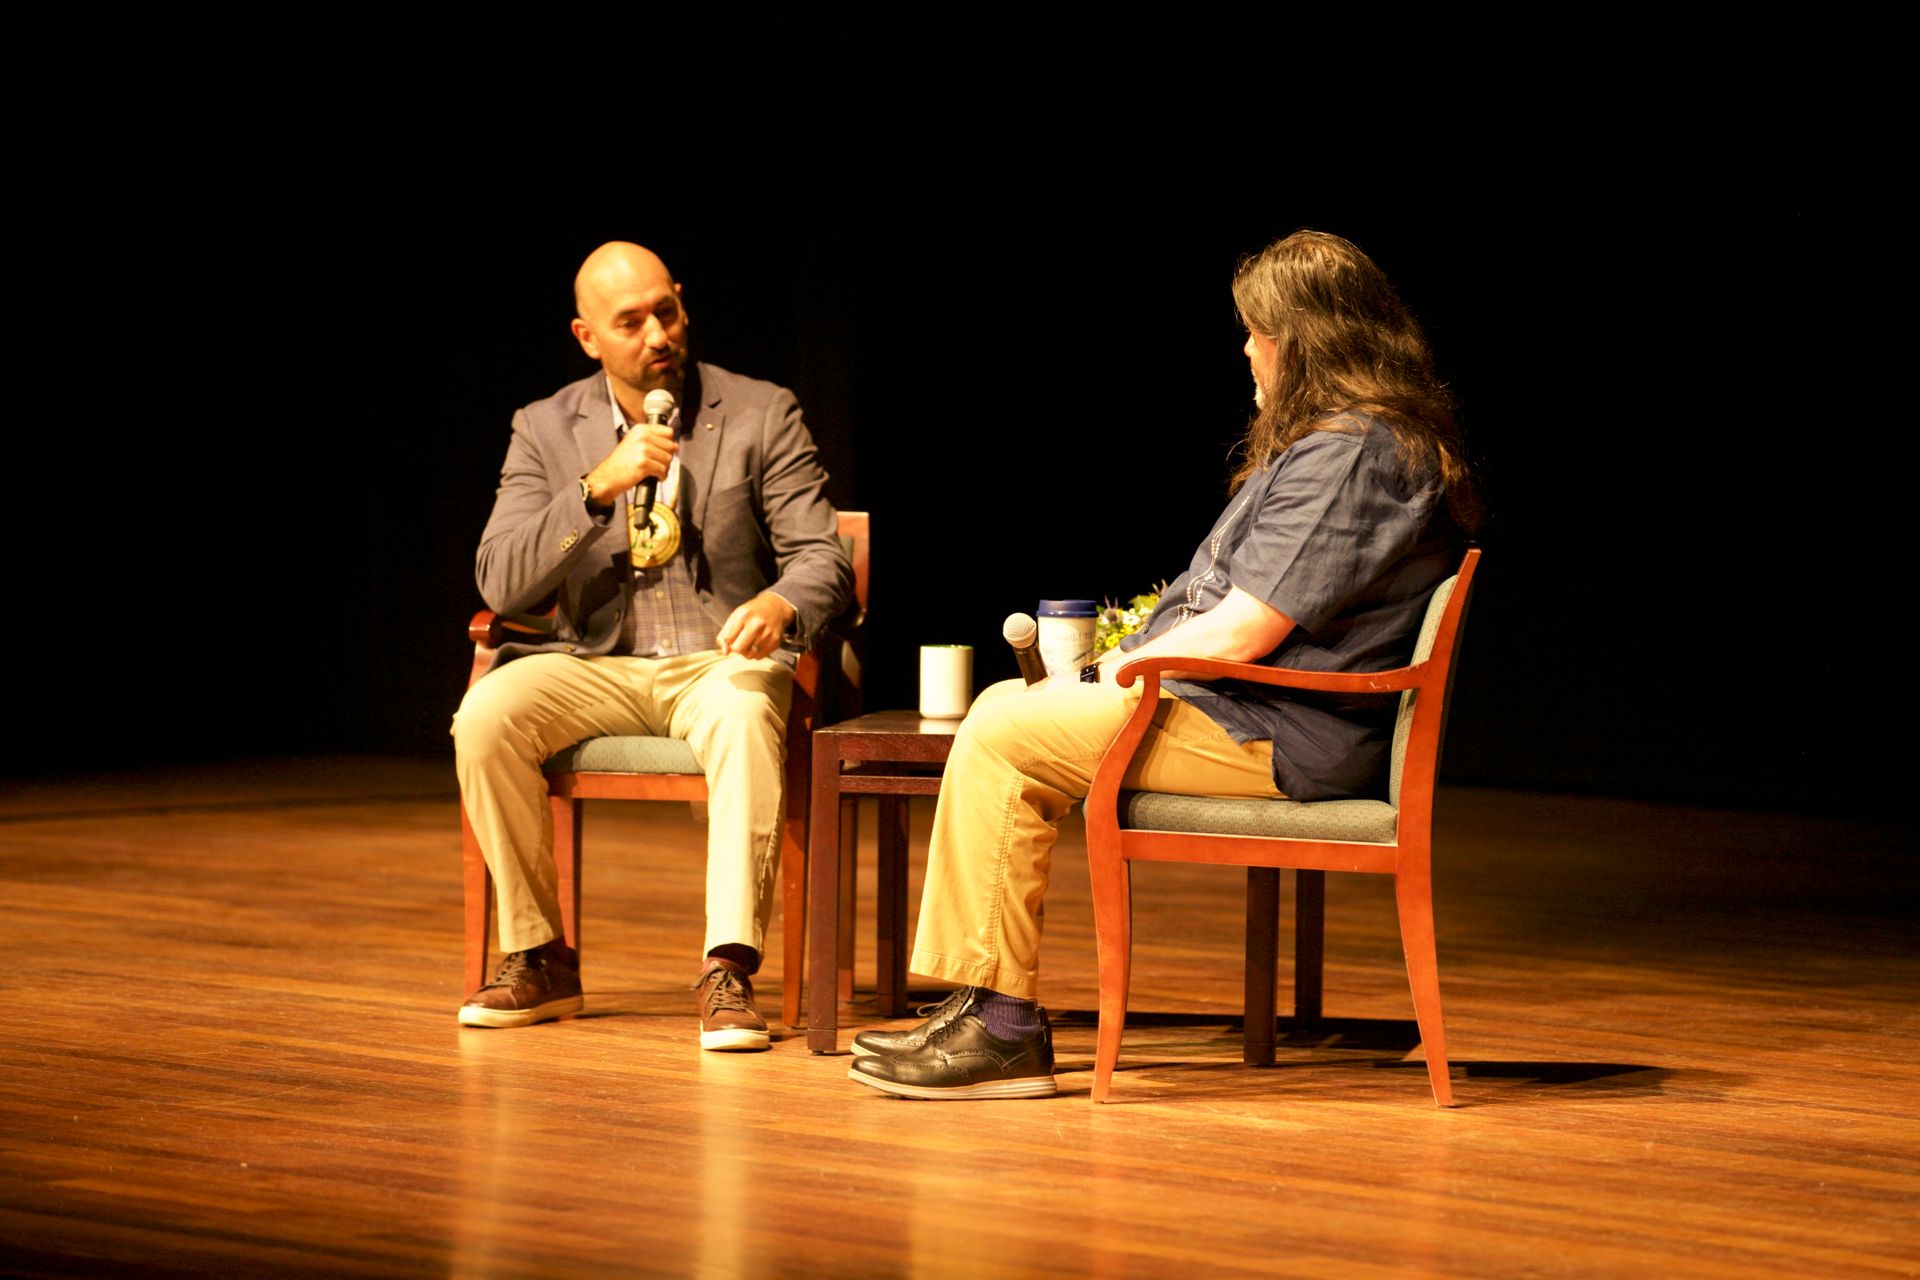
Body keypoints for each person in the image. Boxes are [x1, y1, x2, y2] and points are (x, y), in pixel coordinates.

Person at [847, 229, 1481, 1099]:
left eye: (1257, 331)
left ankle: (1000, 1027)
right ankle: (985, 1007)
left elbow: (1241, 631)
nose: (1247, 349)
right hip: (1247, 715)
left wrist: (1118, 672)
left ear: (1302, 341)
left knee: (1001, 729)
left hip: (1279, 733)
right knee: (1006, 710)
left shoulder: (1357, 452)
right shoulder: (1336, 445)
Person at [454, 242, 853, 1050]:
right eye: (629, 323)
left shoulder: (759, 411)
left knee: (746, 713)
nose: (657, 336)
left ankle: (728, 967)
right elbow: (499, 581)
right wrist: (593, 487)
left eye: (664, 312)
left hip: (718, 662)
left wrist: (779, 601)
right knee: (485, 713)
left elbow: (823, 555)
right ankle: (538, 955)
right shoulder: (543, 428)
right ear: (586, 336)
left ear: (682, 303)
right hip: (593, 663)